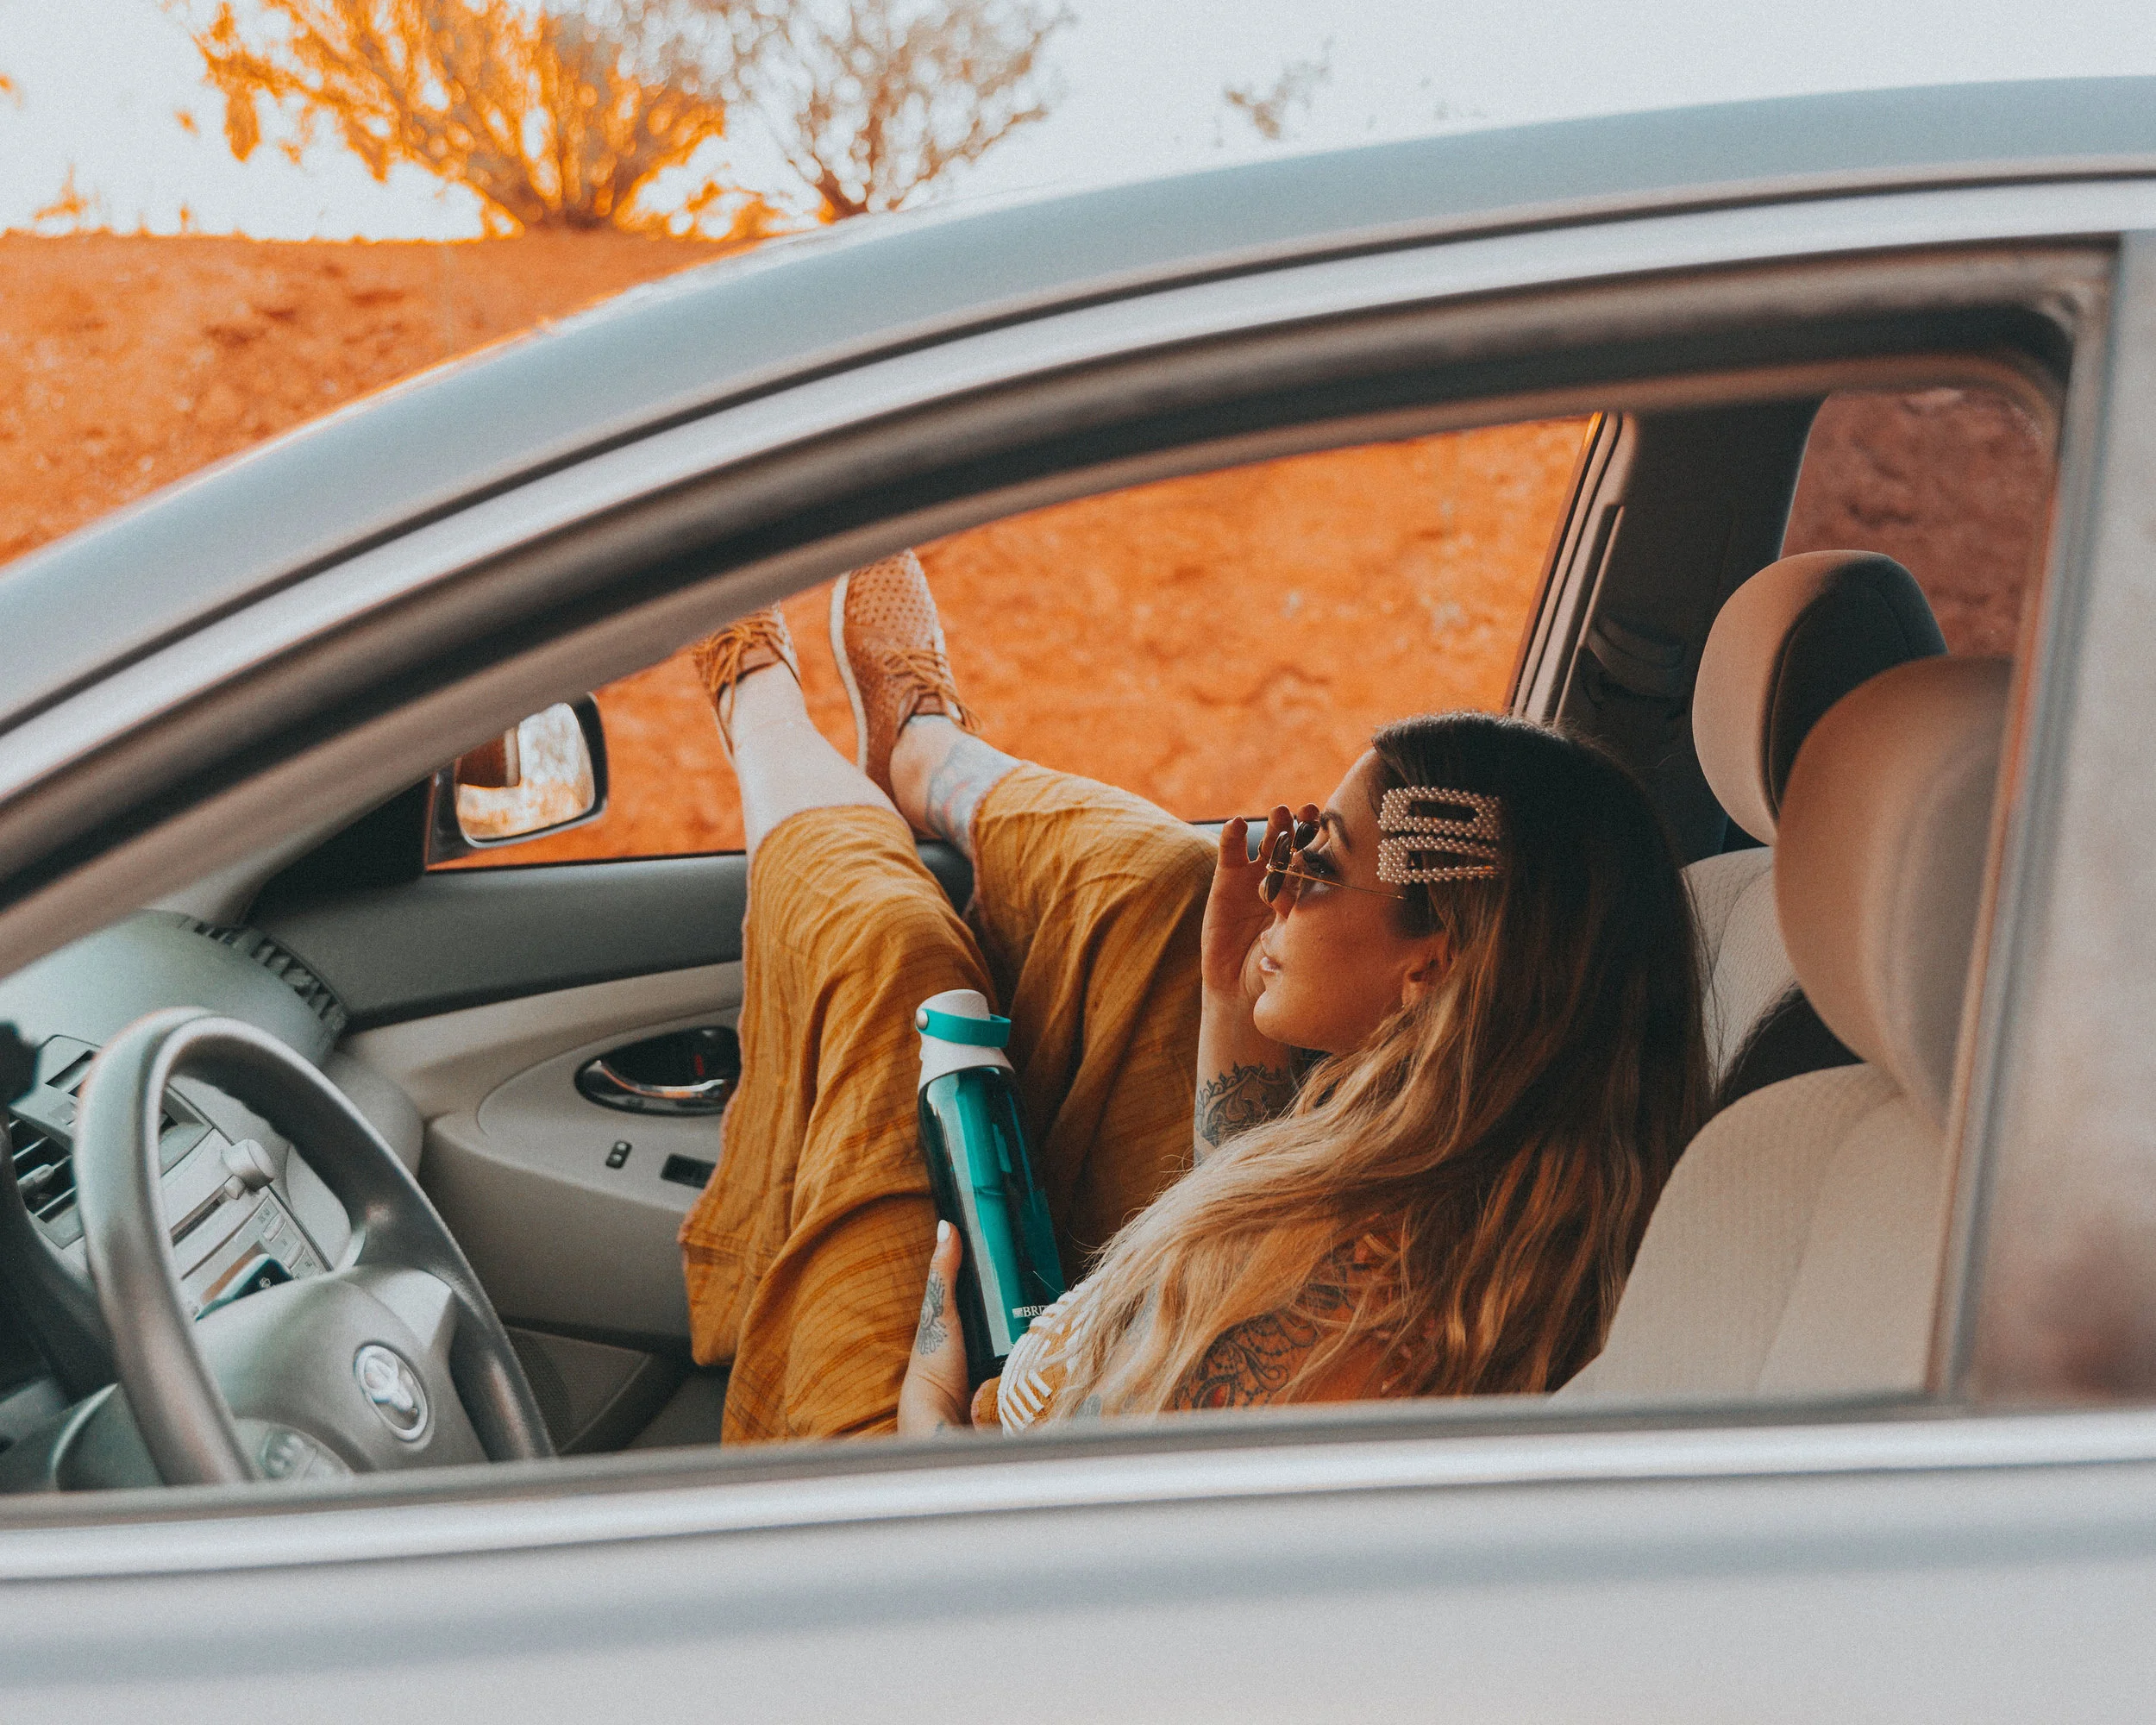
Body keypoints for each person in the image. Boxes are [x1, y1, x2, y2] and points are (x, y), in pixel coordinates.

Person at [678, 551, 1709, 1444]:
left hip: (922, 1491)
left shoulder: (1343, 1322)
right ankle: (925, 747)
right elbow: (1246, 1214)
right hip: (1051, 1360)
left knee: (883, 954)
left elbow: (1033, 1566)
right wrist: (1226, 988)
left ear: (1430, 967)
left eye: (1319, 863)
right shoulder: (1458, 1179)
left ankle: (760, 707)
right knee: (1159, 882)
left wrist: (931, 1417)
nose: (1280, 878)